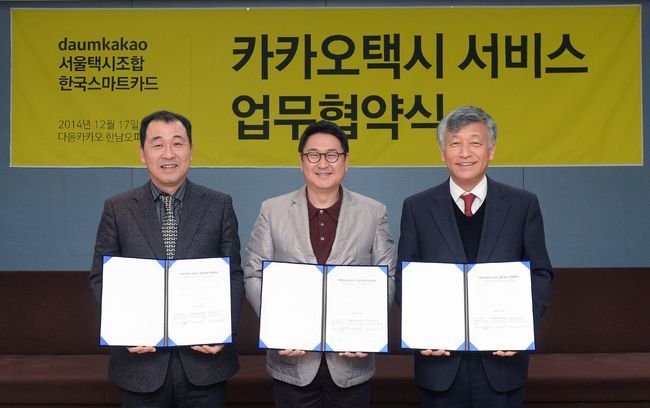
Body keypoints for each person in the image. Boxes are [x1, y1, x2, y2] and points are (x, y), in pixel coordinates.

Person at [397, 106, 553, 407]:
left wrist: (520, 330)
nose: (465, 152)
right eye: (455, 143)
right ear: (442, 152)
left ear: (491, 150)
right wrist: (421, 331)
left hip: (502, 364)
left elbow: (540, 273)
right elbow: (406, 276)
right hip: (439, 363)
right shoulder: (417, 207)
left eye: (475, 142)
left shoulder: (522, 205)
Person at [88, 110, 243, 407]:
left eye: (178, 143)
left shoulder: (219, 205)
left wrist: (224, 331)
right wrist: (123, 328)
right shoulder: (118, 208)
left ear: (191, 151)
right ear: (142, 153)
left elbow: (233, 274)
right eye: (158, 144)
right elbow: (100, 277)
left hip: (204, 363)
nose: (168, 153)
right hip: (139, 364)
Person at [243, 120, 395, 408]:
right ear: (301, 161)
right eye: (313, 155)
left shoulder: (373, 212)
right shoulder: (272, 210)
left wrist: (367, 331)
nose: (323, 163)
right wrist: (279, 326)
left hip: (351, 363)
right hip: (292, 363)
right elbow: (254, 273)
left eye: (332, 155)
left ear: (346, 161)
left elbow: (387, 276)